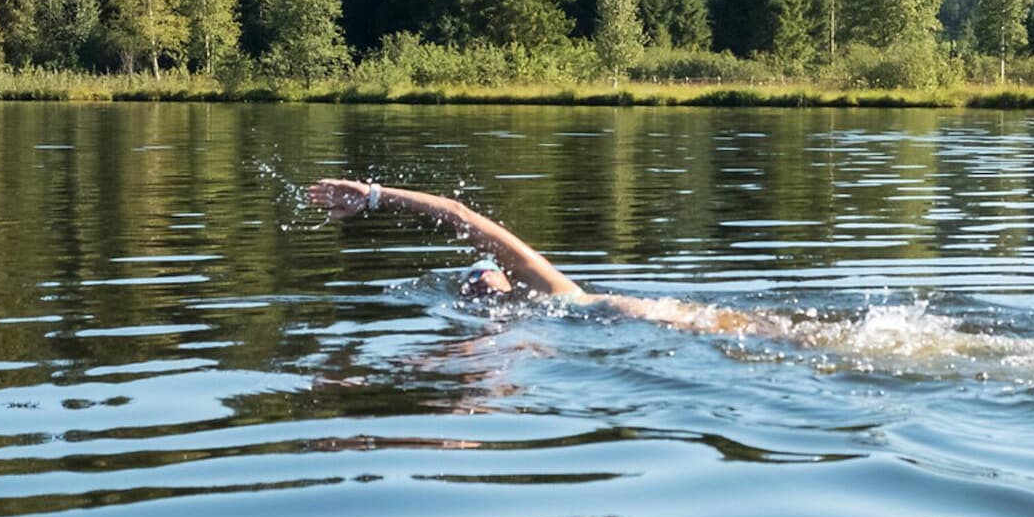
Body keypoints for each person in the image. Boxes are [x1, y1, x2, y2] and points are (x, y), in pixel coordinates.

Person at [306, 178, 787, 337]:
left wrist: (372, 196)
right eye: (475, 279)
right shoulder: (516, 330)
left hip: (663, 318)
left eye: (489, 270)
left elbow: (458, 214)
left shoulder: (547, 288)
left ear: (508, 277)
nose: (482, 279)